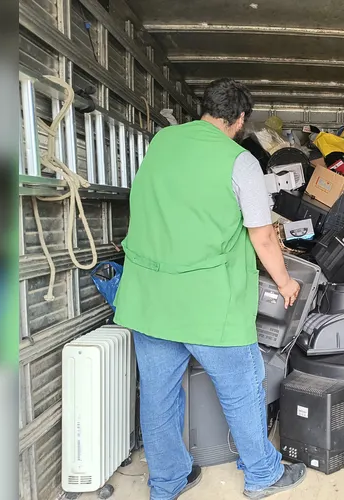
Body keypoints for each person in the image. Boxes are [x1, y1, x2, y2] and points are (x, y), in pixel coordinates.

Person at [113, 78, 306, 500]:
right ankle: (262, 474)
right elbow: (263, 237)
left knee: (158, 397)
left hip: (149, 299)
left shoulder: (162, 142)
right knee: (243, 387)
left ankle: (168, 481)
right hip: (208, 304)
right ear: (239, 120)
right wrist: (286, 282)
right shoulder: (239, 161)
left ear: (204, 109)